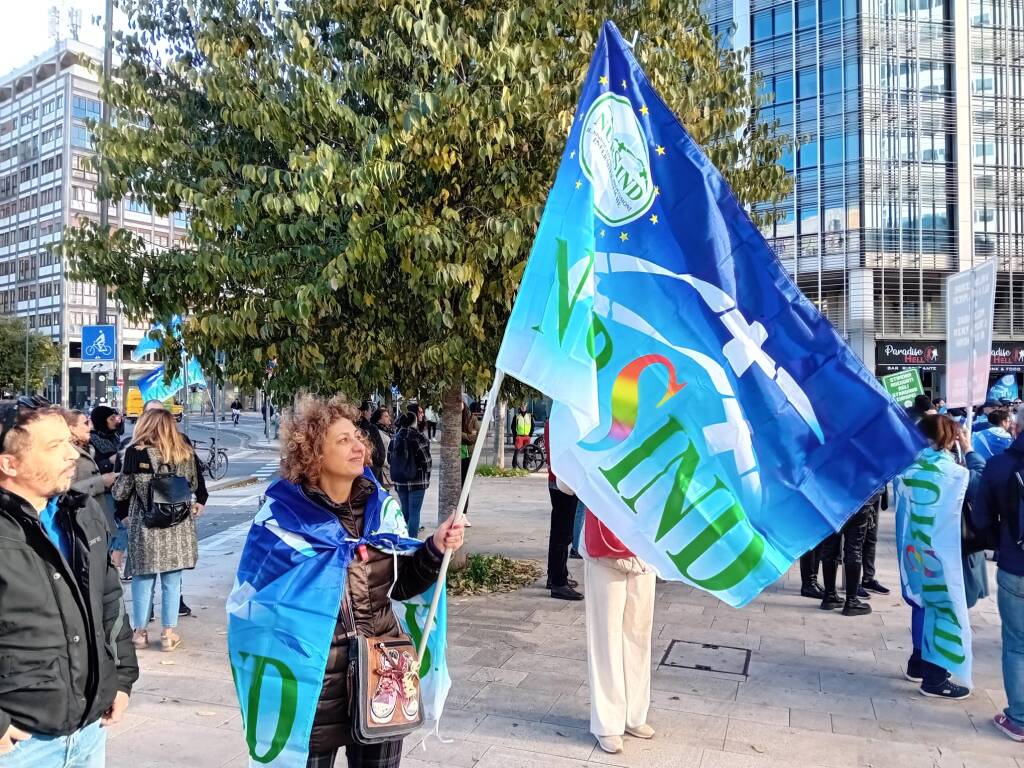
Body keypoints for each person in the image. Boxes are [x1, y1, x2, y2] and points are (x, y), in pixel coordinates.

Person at [255, 395, 464, 768]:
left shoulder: (381, 510)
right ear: (313, 454)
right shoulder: (280, 519)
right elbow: (260, 608)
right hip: (313, 685)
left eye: (358, 437)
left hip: (383, 676)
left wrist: (434, 547)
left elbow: (399, 587)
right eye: (343, 440)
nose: (359, 445)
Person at [0, 396, 137, 765]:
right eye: (54, 446)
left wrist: (122, 677)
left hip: (90, 732)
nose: (72, 455)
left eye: (69, 442)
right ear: (8, 463)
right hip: (19, 746)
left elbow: (109, 599)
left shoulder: (80, 511)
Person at [114, 409, 204, 653]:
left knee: (143, 579)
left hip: (145, 525)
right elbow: (194, 485)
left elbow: (120, 492)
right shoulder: (184, 452)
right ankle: (167, 634)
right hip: (177, 525)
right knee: (172, 581)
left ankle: (140, 633)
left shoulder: (135, 453)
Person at [904, 414, 971, 699]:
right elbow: (983, 483)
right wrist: (969, 452)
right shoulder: (954, 472)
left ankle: (918, 662)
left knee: (923, 604)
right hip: (944, 553)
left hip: (916, 551)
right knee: (945, 606)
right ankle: (935, 676)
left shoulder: (909, 467)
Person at [582, 507, 655, 754]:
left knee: (638, 635)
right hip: (605, 546)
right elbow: (566, 485)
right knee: (606, 637)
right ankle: (608, 723)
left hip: (646, 546)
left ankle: (635, 715)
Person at [971, 408, 1024, 741]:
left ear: (1015, 426)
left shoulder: (999, 465)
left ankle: (1019, 718)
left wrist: (997, 545)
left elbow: (981, 520)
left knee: (1017, 645)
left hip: (1015, 565)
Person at [64, 409, 123, 569]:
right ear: (71, 428)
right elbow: (66, 490)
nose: (90, 427)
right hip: (81, 520)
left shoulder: (87, 446)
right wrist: (101, 481)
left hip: (97, 516)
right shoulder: (67, 453)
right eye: (85, 423)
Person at [819, 491, 877, 616]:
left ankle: (829, 596)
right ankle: (851, 601)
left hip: (830, 497)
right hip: (858, 497)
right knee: (854, 549)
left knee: (830, 547)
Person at [545, 425, 583, 600]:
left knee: (558, 531)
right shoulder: (563, 422)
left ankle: (554, 576)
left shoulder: (554, 421)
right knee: (563, 534)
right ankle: (559, 583)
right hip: (565, 482)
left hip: (558, 480)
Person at [390, 412, 432, 535]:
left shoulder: (395, 437)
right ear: (414, 422)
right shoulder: (418, 437)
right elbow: (426, 460)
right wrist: (427, 474)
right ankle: (412, 540)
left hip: (400, 479)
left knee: (405, 510)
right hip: (417, 480)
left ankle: (403, 537)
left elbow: (389, 458)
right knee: (415, 512)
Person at [859, 488, 890, 597]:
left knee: (871, 538)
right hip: (860, 494)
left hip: (875, 492)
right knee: (856, 541)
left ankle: (868, 578)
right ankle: (854, 583)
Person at [358, 400, 387, 483]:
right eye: (370, 411)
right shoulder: (371, 428)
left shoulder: (353, 426)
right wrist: (378, 463)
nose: (371, 413)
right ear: (364, 412)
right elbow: (380, 449)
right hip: (373, 468)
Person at [88, 405, 121, 477]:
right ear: (102, 421)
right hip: (99, 482)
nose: (115, 421)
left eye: (115, 418)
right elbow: (88, 468)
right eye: (111, 419)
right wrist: (109, 461)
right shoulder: (90, 439)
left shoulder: (115, 435)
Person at [460, 403, 478, 526]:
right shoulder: (452, 417)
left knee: (465, 486)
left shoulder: (472, 418)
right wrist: (467, 435)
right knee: (456, 486)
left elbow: (473, 438)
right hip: (455, 457)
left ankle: (463, 513)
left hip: (467, 456)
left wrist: (459, 434)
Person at [370, 407, 394, 489]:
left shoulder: (386, 431)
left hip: (387, 470)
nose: (388, 418)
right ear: (379, 419)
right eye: (386, 416)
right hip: (382, 469)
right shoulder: (377, 432)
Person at [511, 405, 534, 469]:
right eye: (522, 406)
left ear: (526, 407)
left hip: (527, 436)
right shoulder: (516, 416)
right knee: (517, 451)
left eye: (524, 406)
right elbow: (512, 426)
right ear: (520, 407)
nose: (523, 407)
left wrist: (530, 435)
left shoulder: (529, 416)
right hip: (519, 436)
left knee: (526, 452)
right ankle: (514, 466)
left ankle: (525, 466)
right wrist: (516, 435)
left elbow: (532, 425)